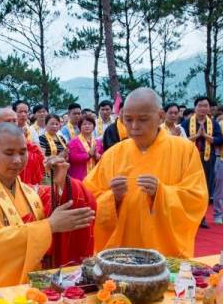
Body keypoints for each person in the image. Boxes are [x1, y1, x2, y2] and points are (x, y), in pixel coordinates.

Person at [0, 123, 95, 288]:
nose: (17, 160)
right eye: (9, 153)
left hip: (36, 287)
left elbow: (66, 201)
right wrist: (49, 226)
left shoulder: (31, 193)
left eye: (23, 152)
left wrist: (61, 182)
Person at [84, 88, 208, 258]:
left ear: (161, 116)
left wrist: (161, 193)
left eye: (143, 119)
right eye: (128, 119)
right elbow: (88, 198)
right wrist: (113, 198)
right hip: (120, 252)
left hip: (165, 252)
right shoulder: (113, 154)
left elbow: (196, 199)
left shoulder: (185, 150)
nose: (134, 126)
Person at [181, 96, 223, 228]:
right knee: (190, 187)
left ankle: (202, 217)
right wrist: (197, 136)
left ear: (209, 108)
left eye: (206, 106)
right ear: (195, 107)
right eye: (200, 105)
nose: (203, 108)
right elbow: (181, 141)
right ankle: (188, 216)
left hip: (207, 158)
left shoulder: (213, 123)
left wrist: (206, 136)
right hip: (190, 159)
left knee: (205, 187)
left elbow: (220, 140)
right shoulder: (186, 123)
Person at [0, 107, 45, 185]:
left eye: (14, 120)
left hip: (22, 186)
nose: (12, 124)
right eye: (8, 121)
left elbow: (38, 155)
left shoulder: (19, 139)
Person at [68, 116, 103, 181]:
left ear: (94, 126)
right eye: (84, 124)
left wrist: (97, 156)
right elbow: (72, 158)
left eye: (90, 124)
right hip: (79, 175)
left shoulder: (98, 142)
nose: (87, 126)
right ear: (80, 127)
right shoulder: (74, 142)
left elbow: (102, 156)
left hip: (94, 175)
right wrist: (88, 155)